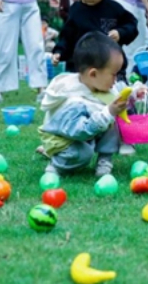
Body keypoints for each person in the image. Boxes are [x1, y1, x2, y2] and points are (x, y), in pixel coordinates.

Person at [39, 32, 129, 177]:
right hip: (64, 139)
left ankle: (104, 160)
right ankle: (56, 164)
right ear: (93, 74)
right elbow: (80, 133)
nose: (116, 79)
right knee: (83, 153)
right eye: (113, 74)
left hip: (86, 130)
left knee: (111, 122)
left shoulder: (96, 84)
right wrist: (108, 113)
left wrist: (135, 93)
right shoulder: (73, 100)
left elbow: (118, 91)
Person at [52, 0, 138, 77]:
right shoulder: (76, 10)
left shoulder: (114, 9)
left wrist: (120, 33)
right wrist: (59, 52)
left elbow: (131, 25)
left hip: (109, 69)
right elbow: (66, 37)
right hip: (81, 69)